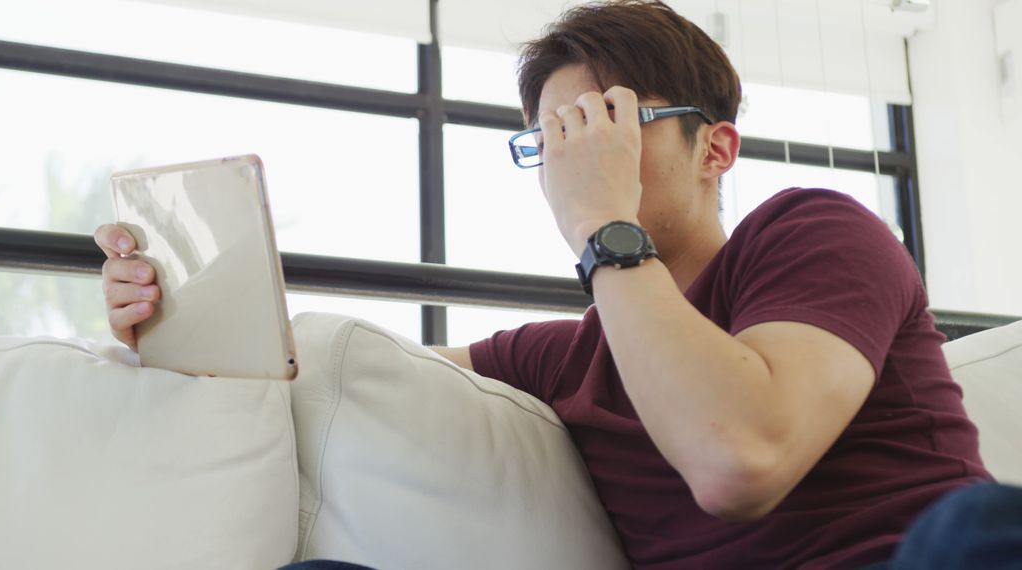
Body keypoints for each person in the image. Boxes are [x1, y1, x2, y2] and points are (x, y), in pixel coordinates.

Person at [95, 1, 1019, 567]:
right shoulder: (563, 357)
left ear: (717, 146)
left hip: (923, 560)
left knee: (979, 532)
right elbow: (327, 373)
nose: (574, 155)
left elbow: (743, 456)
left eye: (607, 121)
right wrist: (174, 313)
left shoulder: (813, 231)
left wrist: (603, 230)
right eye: (553, 137)